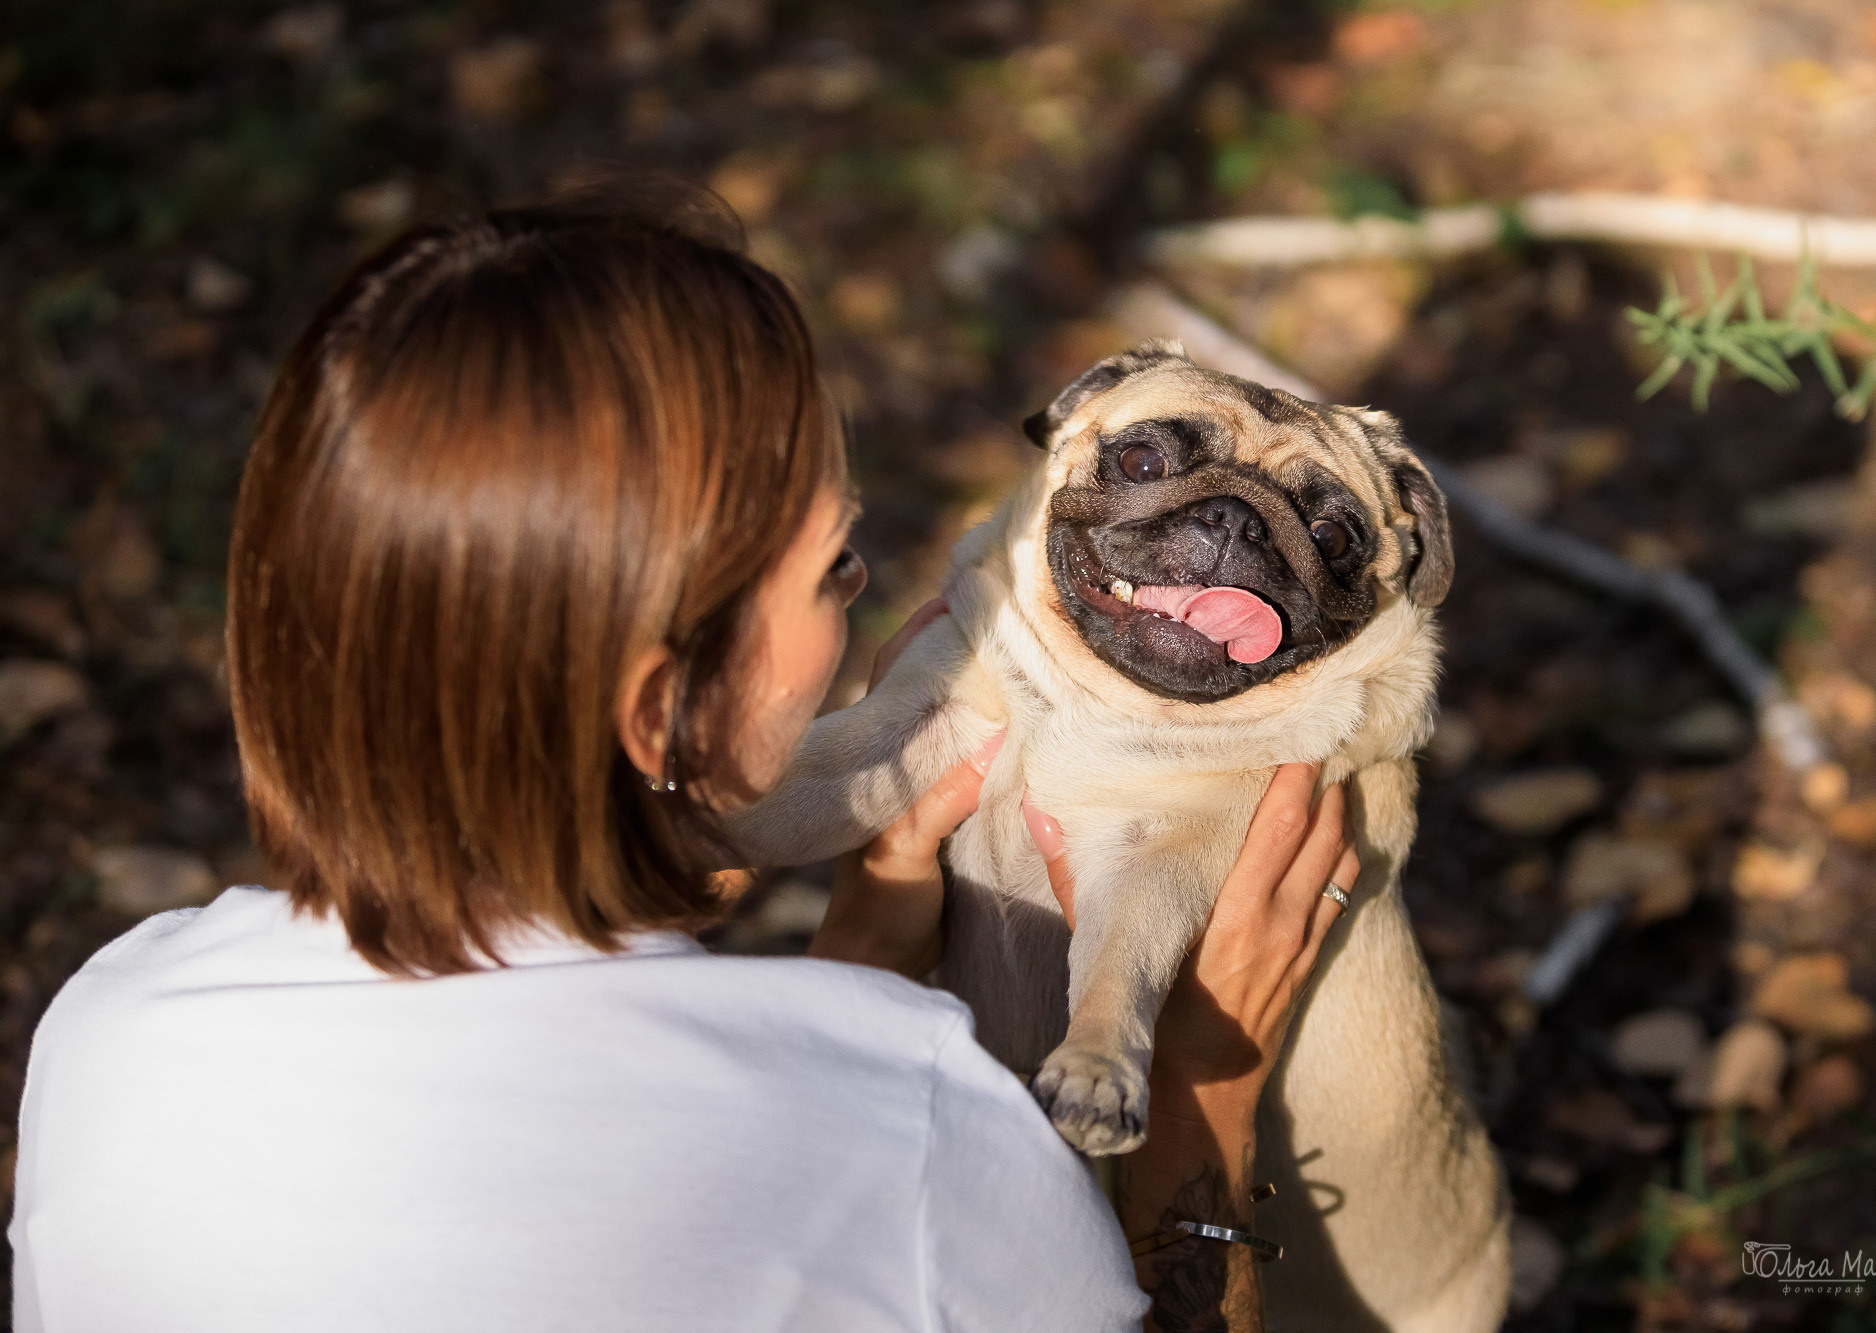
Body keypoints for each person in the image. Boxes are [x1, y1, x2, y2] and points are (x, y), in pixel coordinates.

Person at [8, 192, 1359, 1333]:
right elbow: (824, 1169)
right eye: (835, 567)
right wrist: (1201, 1088)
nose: (878, 602)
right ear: (660, 715)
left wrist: (860, 952)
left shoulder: (113, 1030)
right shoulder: (916, 1129)